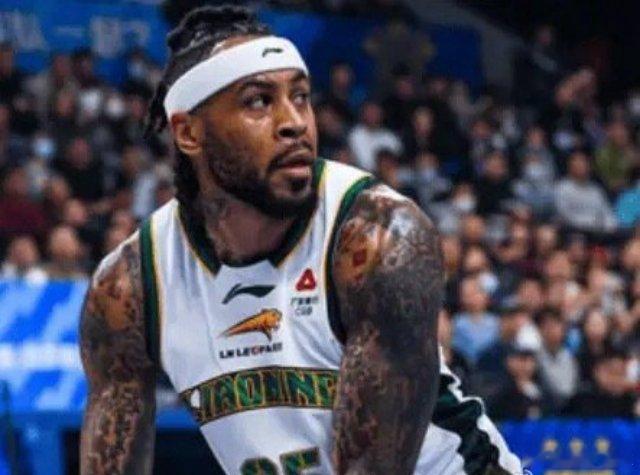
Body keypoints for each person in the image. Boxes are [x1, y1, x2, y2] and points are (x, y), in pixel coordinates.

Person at [79, 5, 521, 475]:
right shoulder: (130, 287)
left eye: (301, 97)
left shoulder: (377, 237)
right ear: (188, 132)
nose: (294, 122)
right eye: (258, 101)